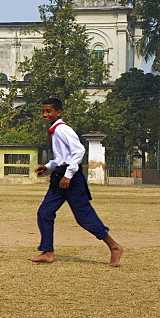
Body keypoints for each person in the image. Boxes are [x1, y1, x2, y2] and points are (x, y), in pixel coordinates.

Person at [30, 97, 124, 267]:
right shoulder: (54, 130)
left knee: (83, 217)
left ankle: (114, 246)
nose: (45, 114)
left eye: (49, 111)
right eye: (43, 111)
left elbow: (79, 151)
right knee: (45, 212)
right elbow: (61, 158)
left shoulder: (63, 130)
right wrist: (48, 166)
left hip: (70, 179)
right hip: (59, 176)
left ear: (58, 112)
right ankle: (47, 252)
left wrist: (69, 174)